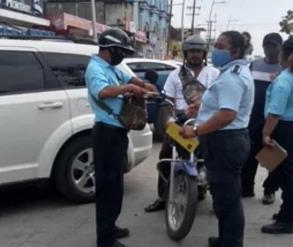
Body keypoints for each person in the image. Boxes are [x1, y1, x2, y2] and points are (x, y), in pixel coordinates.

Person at [180, 31, 254, 247]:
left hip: (225, 142)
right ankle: (225, 239)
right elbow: (221, 103)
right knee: (224, 197)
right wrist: (200, 105)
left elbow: (227, 115)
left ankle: (231, 243)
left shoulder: (232, 77)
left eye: (220, 46)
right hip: (228, 140)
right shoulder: (232, 71)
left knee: (227, 201)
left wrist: (196, 131)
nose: (215, 50)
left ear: (235, 51)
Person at [85, 28, 157, 247]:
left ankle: (111, 226)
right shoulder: (95, 68)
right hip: (106, 134)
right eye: (121, 51)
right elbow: (103, 92)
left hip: (118, 133)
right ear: (110, 49)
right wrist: (130, 88)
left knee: (116, 185)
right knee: (107, 188)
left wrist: (144, 85)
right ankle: (105, 240)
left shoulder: (114, 67)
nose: (123, 55)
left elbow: (131, 77)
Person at [144, 34, 219, 213]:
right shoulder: (175, 75)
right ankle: (162, 197)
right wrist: (172, 117)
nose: (195, 55)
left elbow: (219, 99)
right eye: (191, 51)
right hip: (180, 121)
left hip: (206, 124)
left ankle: (214, 198)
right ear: (185, 53)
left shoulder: (215, 74)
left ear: (204, 53)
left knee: (214, 160)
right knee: (165, 157)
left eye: (198, 51)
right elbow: (169, 100)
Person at [261, 37, 293, 234]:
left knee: (287, 176)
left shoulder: (283, 81)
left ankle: (286, 220)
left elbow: (275, 113)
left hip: (283, 129)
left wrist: (266, 134)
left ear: (285, 54)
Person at [241, 33, 283, 204]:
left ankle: (270, 190)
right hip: (254, 117)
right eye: (267, 45)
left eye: (273, 46)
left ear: (280, 47)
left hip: (274, 119)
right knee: (250, 154)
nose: (270, 49)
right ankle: (246, 187)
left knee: (273, 156)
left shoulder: (284, 68)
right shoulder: (254, 65)